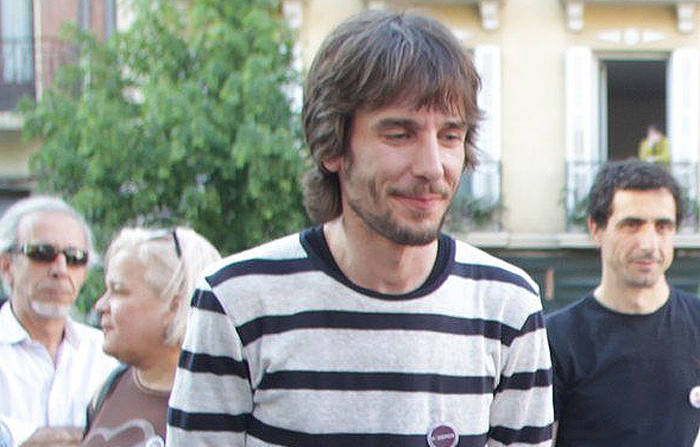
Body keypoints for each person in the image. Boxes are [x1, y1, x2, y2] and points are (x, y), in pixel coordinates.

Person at [167, 10, 553, 446]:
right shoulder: (235, 301)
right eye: (399, 134)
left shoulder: (508, 308)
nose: (432, 167)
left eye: (450, 136)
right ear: (332, 147)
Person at [547, 159, 700, 446]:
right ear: (596, 229)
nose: (648, 244)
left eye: (663, 226)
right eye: (632, 225)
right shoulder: (556, 339)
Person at [81, 226, 221, 447]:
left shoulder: (217, 406)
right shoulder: (110, 387)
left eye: (118, 290)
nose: (100, 305)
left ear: (174, 306)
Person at [0, 196, 119, 446]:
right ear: (7, 266)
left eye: (75, 257)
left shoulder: (108, 355)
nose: (61, 270)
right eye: (42, 253)